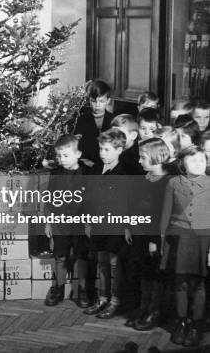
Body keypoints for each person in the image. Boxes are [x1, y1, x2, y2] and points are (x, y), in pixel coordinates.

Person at [160, 146, 210, 347]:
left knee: (198, 284)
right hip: (178, 238)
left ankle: (196, 324)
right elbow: (165, 214)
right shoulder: (173, 183)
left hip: (203, 239)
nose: (199, 163)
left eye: (202, 159)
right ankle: (181, 322)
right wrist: (162, 243)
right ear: (182, 164)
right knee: (180, 282)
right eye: (193, 160)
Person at [124, 138, 170, 331]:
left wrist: (154, 241)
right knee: (143, 273)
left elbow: (161, 215)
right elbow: (133, 205)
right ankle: (144, 308)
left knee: (155, 275)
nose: (139, 161)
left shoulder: (167, 183)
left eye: (143, 157)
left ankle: (154, 311)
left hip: (156, 239)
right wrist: (128, 225)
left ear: (157, 157)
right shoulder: (144, 179)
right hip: (139, 235)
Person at [83, 127, 129, 319]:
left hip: (115, 226)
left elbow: (125, 204)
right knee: (101, 262)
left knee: (113, 264)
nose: (102, 153)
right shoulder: (95, 170)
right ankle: (102, 298)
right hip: (98, 223)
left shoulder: (122, 174)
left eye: (107, 150)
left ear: (119, 150)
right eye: (101, 149)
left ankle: (115, 301)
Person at [43, 134, 91, 308]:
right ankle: (58, 288)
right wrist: (48, 222)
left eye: (66, 155)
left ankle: (83, 290)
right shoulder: (56, 173)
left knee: (81, 256)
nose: (62, 159)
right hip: (60, 222)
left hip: (80, 223)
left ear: (78, 154)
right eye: (59, 156)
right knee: (61, 256)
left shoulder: (86, 172)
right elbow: (49, 199)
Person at [73, 79, 114, 166]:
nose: (97, 105)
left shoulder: (113, 120)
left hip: (108, 164)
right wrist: (83, 160)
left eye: (101, 101)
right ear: (89, 100)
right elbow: (76, 145)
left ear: (108, 101)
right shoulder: (82, 119)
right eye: (93, 101)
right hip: (87, 164)